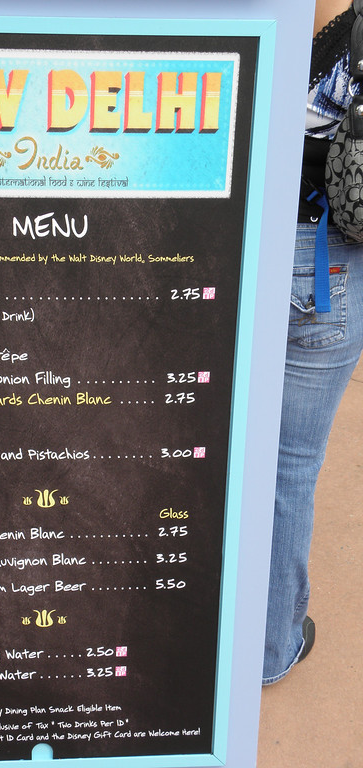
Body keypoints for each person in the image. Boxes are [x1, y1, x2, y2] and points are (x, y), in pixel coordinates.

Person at [263, 0, 363, 685]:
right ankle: (271, 650)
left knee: (196, 443)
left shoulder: (250, 25)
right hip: (326, 267)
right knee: (291, 469)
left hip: (225, 253)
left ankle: (191, 648)